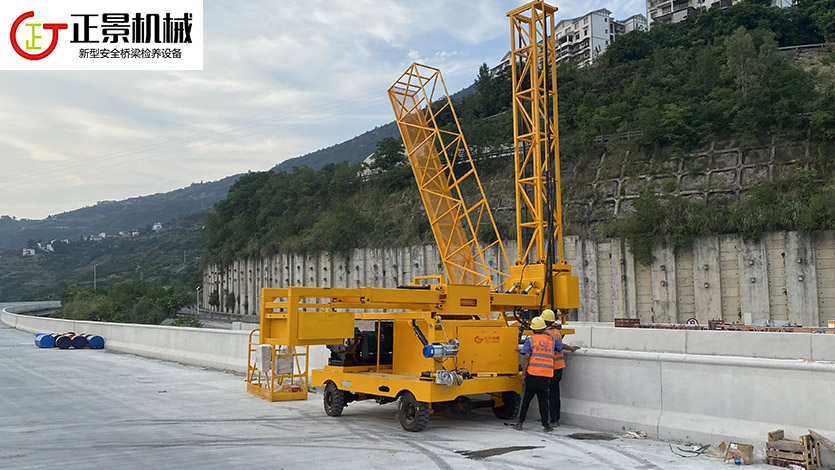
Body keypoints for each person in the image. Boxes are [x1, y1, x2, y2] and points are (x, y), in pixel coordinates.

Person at [513, 316, 555, 431]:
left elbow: (526, 356)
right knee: (543, 402)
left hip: (533, 375)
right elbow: (559, 348)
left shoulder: (531, 340)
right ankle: (546, 425)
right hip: (546, 376)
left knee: (526, 400)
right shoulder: (551, 340)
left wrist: (523, 375)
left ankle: (520, 423)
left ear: (533, 329)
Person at [541, 308, 581, 427]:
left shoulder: (546, 334)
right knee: (555, 393)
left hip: (549, 367)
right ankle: (555, 418)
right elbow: (560, 345)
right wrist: (571, 348)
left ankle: (551, 419)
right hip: (559, 366)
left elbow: (556, 346)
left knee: (548, 394)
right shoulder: (557, 332)